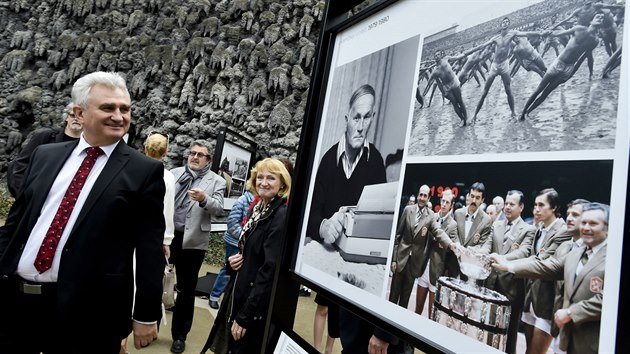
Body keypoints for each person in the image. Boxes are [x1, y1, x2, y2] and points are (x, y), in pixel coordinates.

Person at [0, 71, 165, 353]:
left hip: (89, 312)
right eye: (108, 108)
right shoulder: (46, 155)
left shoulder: (144, 170)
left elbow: (150, 247)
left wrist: (146, 313)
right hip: (17, 303)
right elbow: (17, 223)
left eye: (124, 109)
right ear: (79, 112)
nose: (119, 116)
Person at [306, 84, 387, 354]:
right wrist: (323, 225)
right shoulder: (328, 160)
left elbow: (380, 213)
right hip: (329, 264)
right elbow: (311, 215)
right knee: (328, 315)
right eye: (356, 117)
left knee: (352, 338)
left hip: (359, 268)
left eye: (367, 117)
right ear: (347, 119)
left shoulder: (376, 160)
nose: (361, 126)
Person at [491, 202, 609, 354]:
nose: (586, 227)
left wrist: (571, 313)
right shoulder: (576, 253)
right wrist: (509, 266)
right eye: (584, 222)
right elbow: (547, 266)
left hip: (593, 342)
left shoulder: (614, 260)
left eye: (593, 223)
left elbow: (609, 299)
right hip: (566, 337)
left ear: (606, 228)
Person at [202, 158, 291, 354]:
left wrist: (245, 316)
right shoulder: (259, 209)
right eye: (260, 177)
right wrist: (236, 259)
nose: (264, 182)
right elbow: (252, 251)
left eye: (271, 178)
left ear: (283, 183)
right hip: (240, 291)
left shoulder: (280, 214)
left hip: (254, 304)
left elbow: (269, 270)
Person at [168, 140, 226, 353]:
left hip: (193, 242)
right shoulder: (173, 174)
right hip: (167, 237)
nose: (194, 157)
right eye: (192, 153)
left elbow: (218, 208)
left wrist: (204, 199)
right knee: (153, 280)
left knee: (186, 289)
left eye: (200, 154)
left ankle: (180, 335)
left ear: (208, 160)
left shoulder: (216, 181)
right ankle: (148, 323)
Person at [519, 14, 605, 120]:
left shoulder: (595, 41)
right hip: (558, 63)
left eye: (602, 18)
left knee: (546, 92)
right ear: (591, 20)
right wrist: (546, 33)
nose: (600, 19)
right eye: (598, 17)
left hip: (568, 69)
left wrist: (573, 72)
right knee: (539, 89)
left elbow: (584, 58)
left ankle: (528, 112)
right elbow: (558, 34)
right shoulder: (578, 29)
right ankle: (522, 113)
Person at [485, 190, 536, 354]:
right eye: (506, 203)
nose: (507, 207)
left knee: (509, 335)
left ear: (521, 207)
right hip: (491, 285)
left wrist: (500, 258)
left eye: (511, 204)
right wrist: (479, 253)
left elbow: (523, 252)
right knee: (487, 328)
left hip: (512, 289)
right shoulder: (497, 225)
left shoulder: (528, 229)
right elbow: (488, 244)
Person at [519, 188, 570, 354]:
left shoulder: (563, 230)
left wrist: (510, 266)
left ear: (554, 207)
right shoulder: (539, 228)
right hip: (531, 298)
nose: (536, 209)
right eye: (535, 205)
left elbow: (542, 263)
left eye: (541, 205)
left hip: (547, 303)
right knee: (528, 350)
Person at [471, 17, 544, 122]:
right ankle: (474, 116)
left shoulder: (512, 34)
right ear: (501, 25)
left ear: (508, 25)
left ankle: (513, 113)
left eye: (507, 22)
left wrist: (540, 33)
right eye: (503, 22)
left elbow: (526, 33)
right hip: (495, 66)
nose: (505, 23)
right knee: (485, 92)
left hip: (504, 65)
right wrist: (470, 51)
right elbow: (483, 45)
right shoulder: (496, 38)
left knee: (508, 90)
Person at [389, 185, 449, 310]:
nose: (422, 198)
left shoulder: (430, 216)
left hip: (414, 265)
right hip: (400, 260)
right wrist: (394, 259)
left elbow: (438, 231)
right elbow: (398, 236)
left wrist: (450, 244)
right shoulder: (407, 210)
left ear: (429, 198)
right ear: (417, 195)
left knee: (404, 301)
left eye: (425, 196)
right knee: (393, 298)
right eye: (420, 195)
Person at [7, 102, 83, 197]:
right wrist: (22, 196)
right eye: (72, 115)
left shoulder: (88, 145)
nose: (76, 118)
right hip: (33, 196)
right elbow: (20, 165)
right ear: (66, 117)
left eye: (81, 116)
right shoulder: (45, 136)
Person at [549, 199, 589, 354]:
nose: (569, 218)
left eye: (575, 214)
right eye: (568, 214)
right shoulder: (565, 246)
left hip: (580, 329)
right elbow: (547, 267)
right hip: (559, 322)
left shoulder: (592, 251)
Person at [208, 189, 254, 310]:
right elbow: (232, 223)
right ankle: (214, 296)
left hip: (248, 244)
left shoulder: (262, 203)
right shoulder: (242, 201)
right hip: (234, 243)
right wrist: (246, 238)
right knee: (227, 271)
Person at [415, 189, 458, 318]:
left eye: (447, 202)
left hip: (437, 271)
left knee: (432, 313)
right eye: (443, 201)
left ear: (452, 205)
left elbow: (452, 246)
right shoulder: (431, 216)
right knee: (417, 308)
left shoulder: (453, 224)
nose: (444, 204)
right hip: (424, 268)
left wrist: (446, 245)